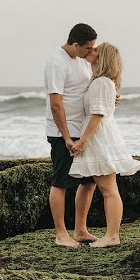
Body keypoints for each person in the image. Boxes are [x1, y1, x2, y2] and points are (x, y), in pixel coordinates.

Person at [68, 42, 140, 247]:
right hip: (97, 135)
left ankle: (112, 235)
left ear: (102, 58)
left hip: (98, 137)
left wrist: (82, 141)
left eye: (96, 51)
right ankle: (80, 230)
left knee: (108, 188)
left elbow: (98, 115)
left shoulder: (102, 82)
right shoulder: (100, 81)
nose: (91, 51)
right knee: (87, 184)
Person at [44, 23, 99, 248]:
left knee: (89, 181)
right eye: (88, 48)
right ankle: (60, 235)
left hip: (83, 130)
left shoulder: (81, 61)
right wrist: (66, 137)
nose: (91, 53)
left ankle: (80, 230)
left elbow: (84, 91)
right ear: (75, 44)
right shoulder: (57, 62)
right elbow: (56, 104)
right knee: (61, 182)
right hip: (63, 133)